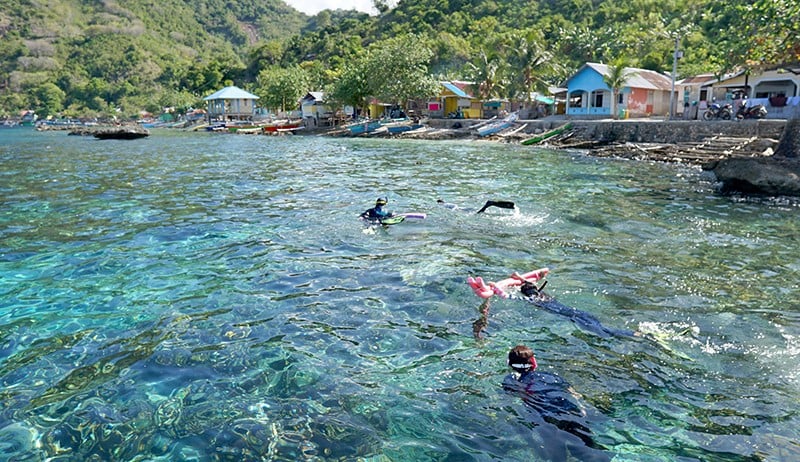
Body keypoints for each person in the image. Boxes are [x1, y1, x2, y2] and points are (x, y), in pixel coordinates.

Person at [503, 345, 612, 461]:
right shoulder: (550, 376)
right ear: (533, 362)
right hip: (572, 411)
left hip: (548, 418)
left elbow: (511, 394)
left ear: (510, 364)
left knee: (557, 455)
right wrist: (581, 407)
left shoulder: (511, 380)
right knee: (589, 447)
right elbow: (574, 393)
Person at [436, 198, 516, 214]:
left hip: (457, 208)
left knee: (475, 212)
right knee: (475, 211)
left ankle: (488, 205)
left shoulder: (444, 204)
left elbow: (454, 206)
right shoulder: (445, 204)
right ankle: (488, 205)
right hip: (459, 208)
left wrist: (454, 211)